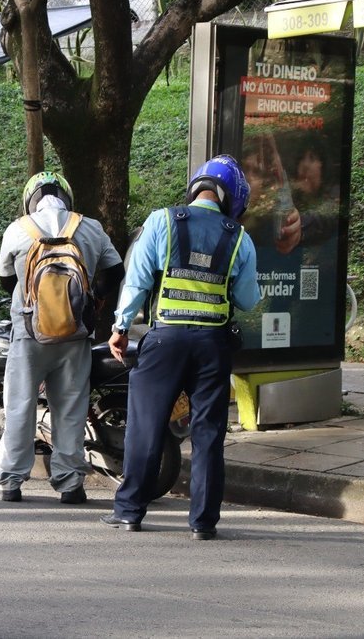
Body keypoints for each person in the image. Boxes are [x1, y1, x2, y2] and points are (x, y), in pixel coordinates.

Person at [102, 155, 260, 540]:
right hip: (213, 345)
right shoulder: (239, 237)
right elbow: (249, 299)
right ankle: (203, 522)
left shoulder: (161, 221)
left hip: (165, 341)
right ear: (232, 197)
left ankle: (129, 512)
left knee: (146, 426)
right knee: (208, 433)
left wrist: (121, 327)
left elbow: (137, 280)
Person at [0, 171, 124, 503]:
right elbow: (117, 271)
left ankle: (9, 482)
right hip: (75, 337)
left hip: (29, 336)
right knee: (71, 409)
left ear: (29, 199)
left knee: (20, 406)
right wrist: (94, 300)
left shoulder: (18, 230)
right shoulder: (89, 228)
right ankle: (70, 482)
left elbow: (7, 282)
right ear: (67, 197)